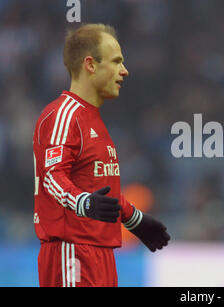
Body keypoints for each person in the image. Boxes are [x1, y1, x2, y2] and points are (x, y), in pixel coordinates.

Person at [32, 23, 170, 287]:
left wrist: (134, 219)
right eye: (116, 62)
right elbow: (52, 177)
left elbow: (99, 190)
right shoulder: (64, 114)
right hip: (71, 252)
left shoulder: (93, 120)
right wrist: (84, 203)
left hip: (101, 254)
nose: (124, 71)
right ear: (90, 65)